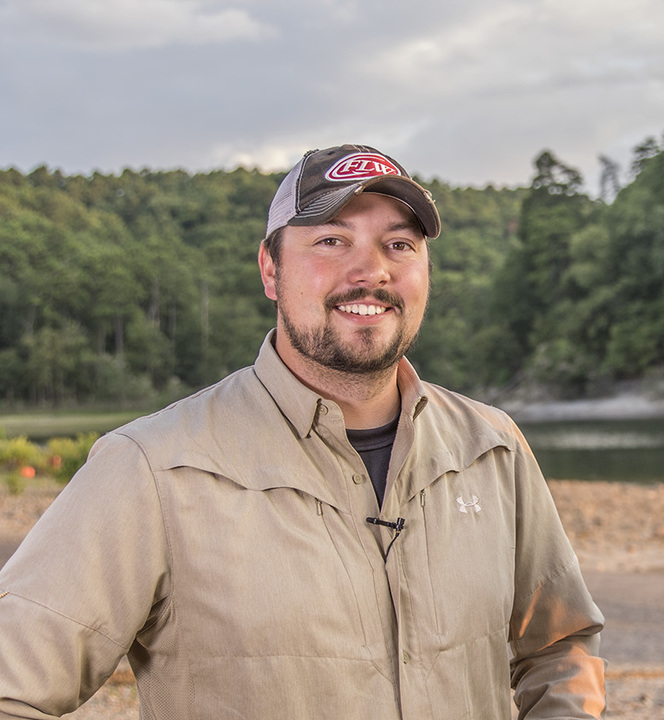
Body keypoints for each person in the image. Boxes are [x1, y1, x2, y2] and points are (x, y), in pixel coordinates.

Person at [0, 145, 607, 718]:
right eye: (330, 240)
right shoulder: (150, 468)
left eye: (399, 244)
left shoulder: (492, 447)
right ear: (271, 268)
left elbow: (561, 646)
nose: (370, 270)